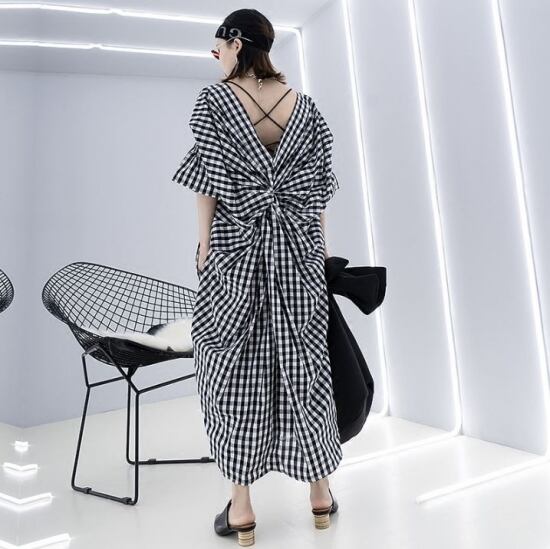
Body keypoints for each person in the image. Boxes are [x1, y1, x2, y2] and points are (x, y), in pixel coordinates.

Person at [172, 8, 341, 544]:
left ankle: (242, 506)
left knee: (230, 366)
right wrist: (319, 251)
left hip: (235, 251)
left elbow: (207, 183)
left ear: (237, 43)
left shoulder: (214, 102)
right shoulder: (305, 107)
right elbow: (318, 190)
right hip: (298, 253)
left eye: (218, 45)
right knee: (304, 363)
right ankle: (319, 494)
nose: (214, 55)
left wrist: (204, 245)